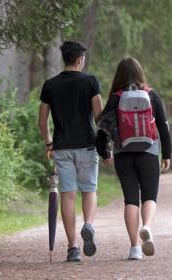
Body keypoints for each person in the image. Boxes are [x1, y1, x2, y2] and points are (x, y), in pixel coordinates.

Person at [99, 57, 171, 260]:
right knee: (150, 197)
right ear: (140, 73)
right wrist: (167, 154)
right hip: (148, 152)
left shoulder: (115, 97)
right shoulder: (151, 95)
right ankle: (147, 226)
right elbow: (163, 127)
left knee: (131, 200)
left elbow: (102, 129)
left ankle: (134, 248)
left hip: (123, 154)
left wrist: (104, 153)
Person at [38, 40, 103, 262]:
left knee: (68, 194)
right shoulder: (91, 82)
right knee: (89, 190)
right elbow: (99, 117)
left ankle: (73, 248)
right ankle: (88, 225)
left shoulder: (50, 85)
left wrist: (48, 143)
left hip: (62, 147)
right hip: (86, 145)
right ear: (79, 60)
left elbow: (42, 120)